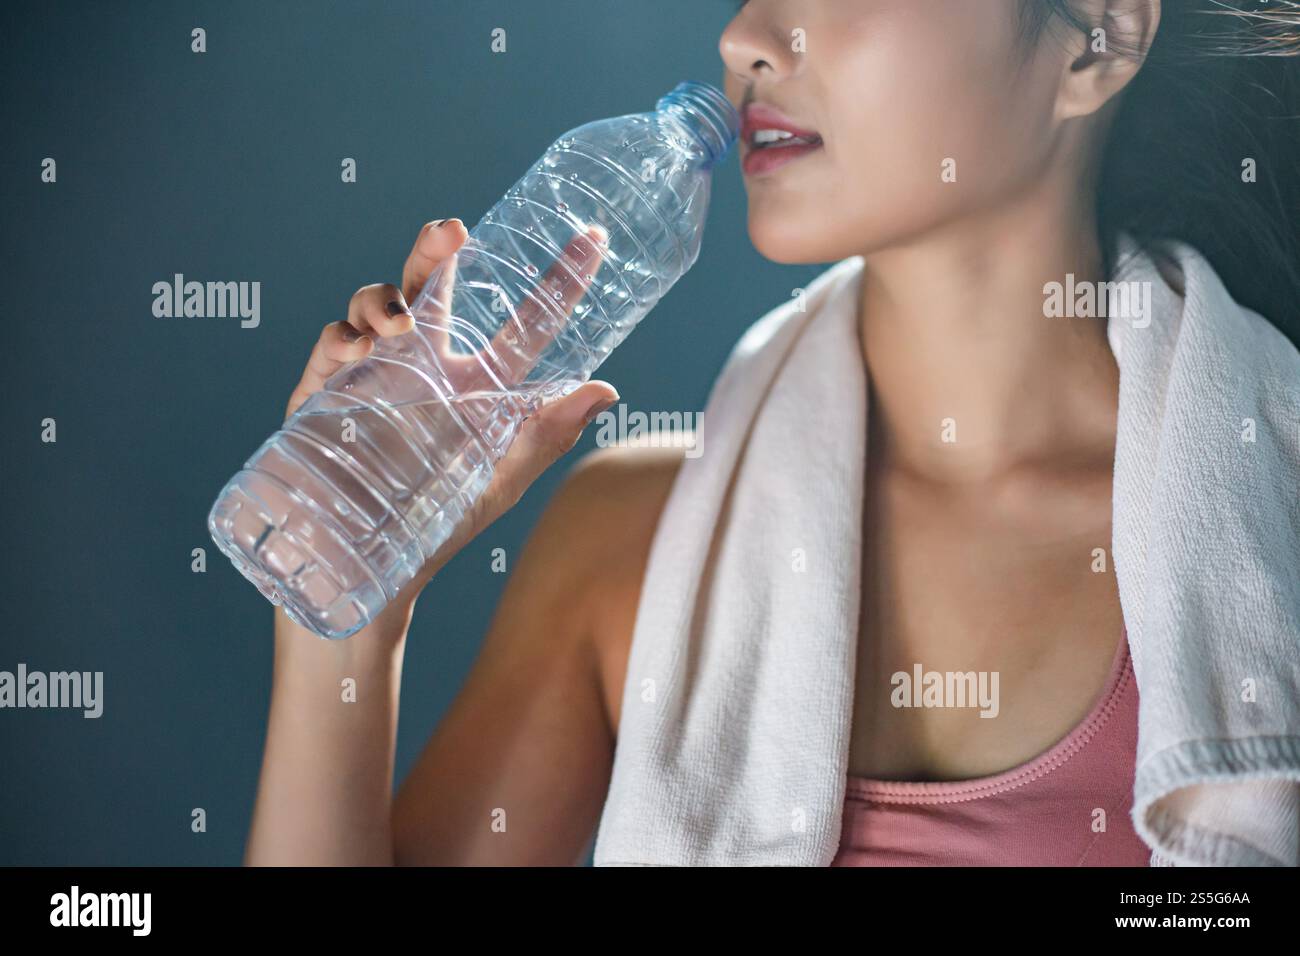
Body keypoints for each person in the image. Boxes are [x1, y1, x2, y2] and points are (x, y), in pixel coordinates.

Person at [244, 0, 1300, 865]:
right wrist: (347, 590)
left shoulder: (1274, 535)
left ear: (1097, 40)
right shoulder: (626, 548)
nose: (744, 35)